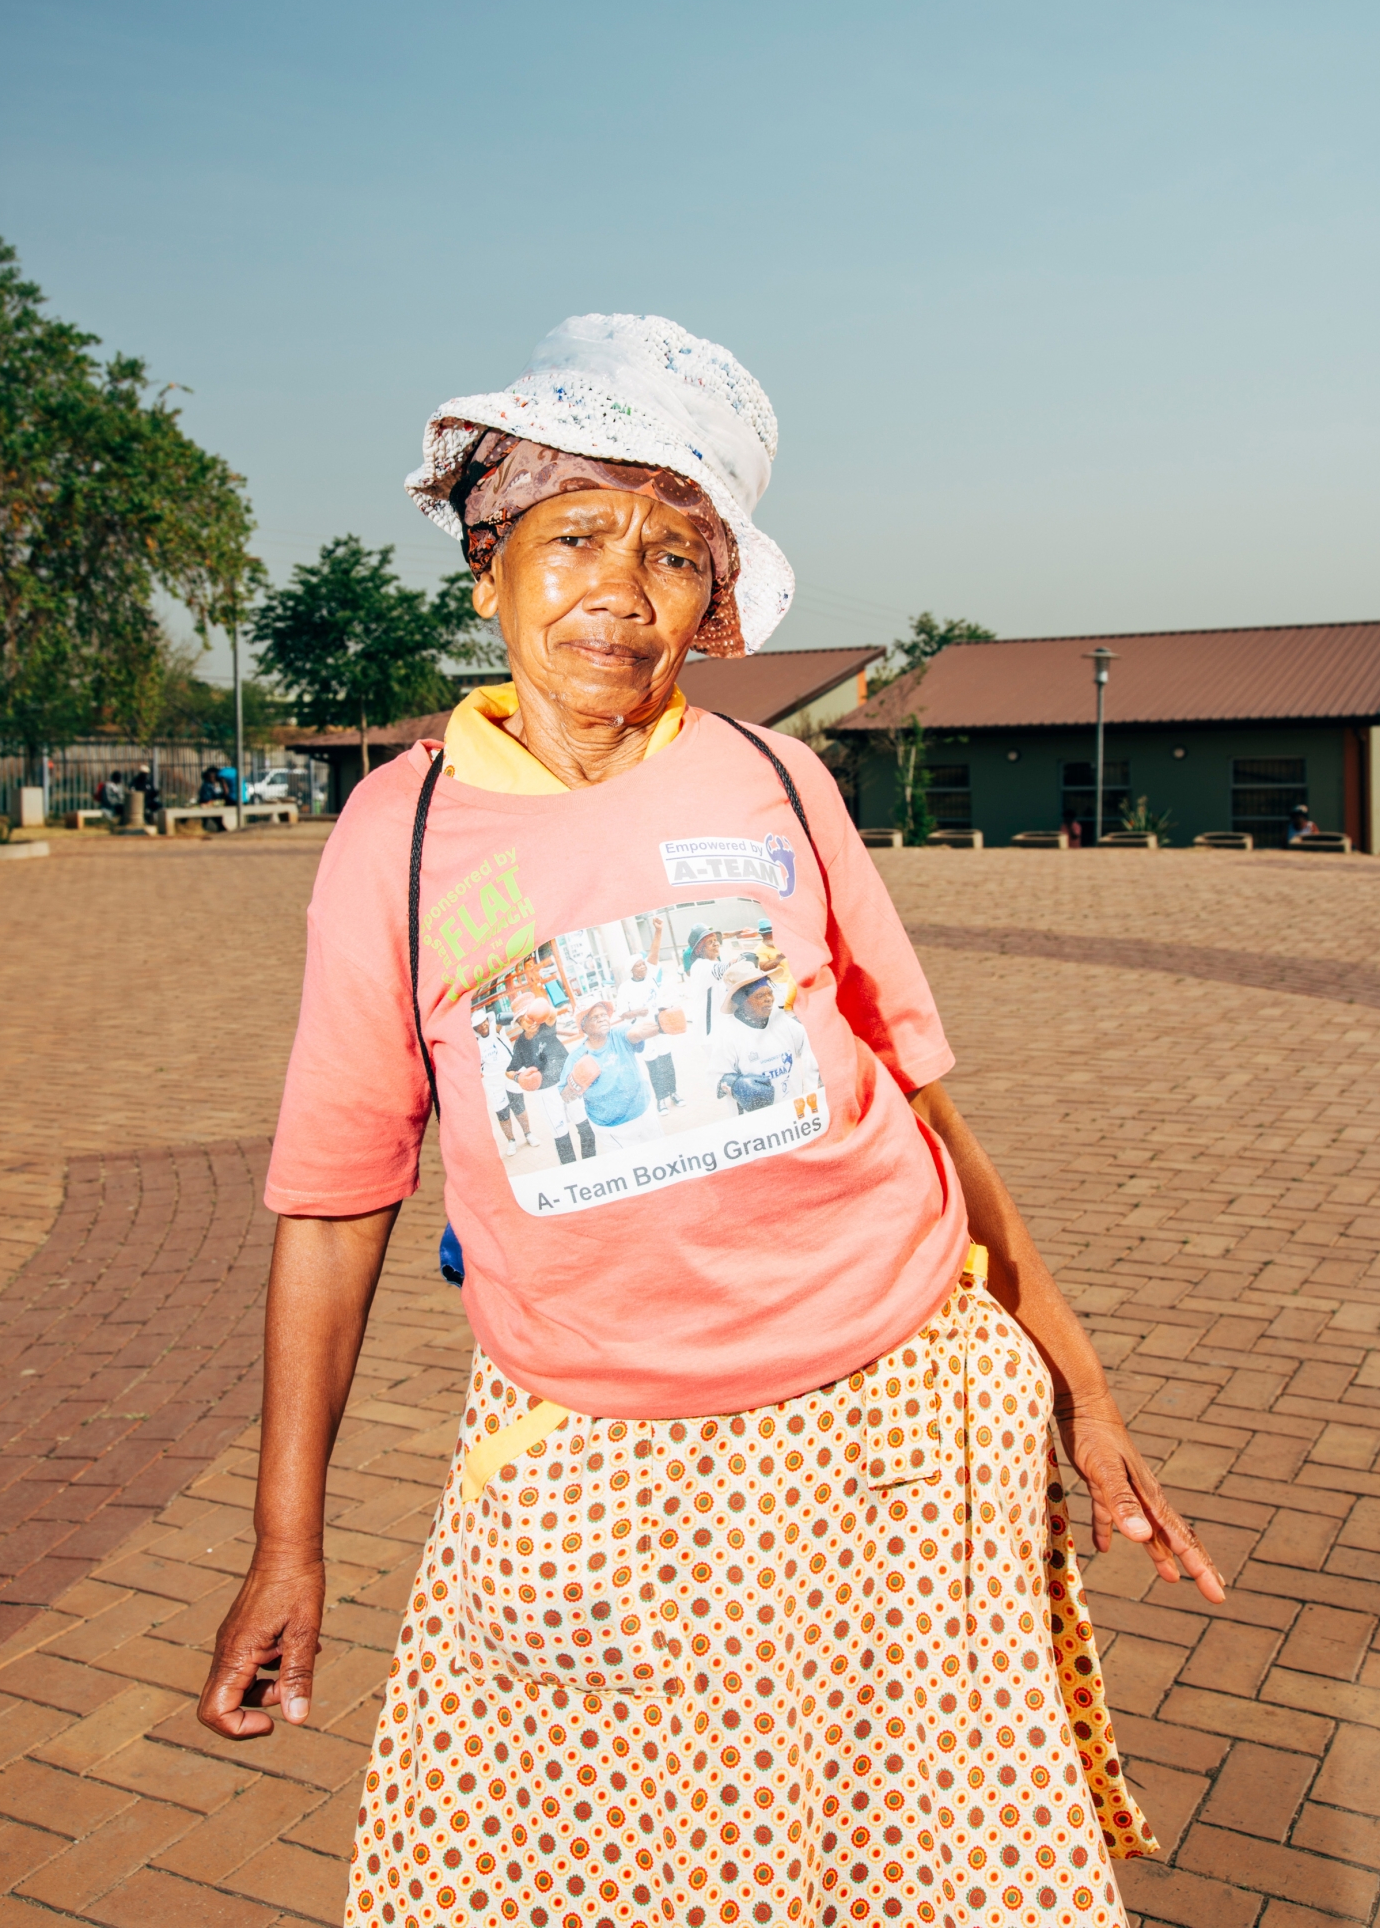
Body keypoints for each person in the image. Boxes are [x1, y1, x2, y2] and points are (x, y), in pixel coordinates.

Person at [202, 313, 1219, 1928]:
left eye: (675, 554)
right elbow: (334, 1201)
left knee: (919, 1864)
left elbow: (918, 1095)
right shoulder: (397, 840)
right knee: (597, 1874)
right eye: (576, 536)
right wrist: (286, 1540)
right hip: (595, 1452)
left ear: (714, 599)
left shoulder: (771, 777)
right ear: (486, 567)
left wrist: (1080, 1383)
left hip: (894, 1408)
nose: (621, 587)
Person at [709, 954, 819, 1112]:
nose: (769, 999)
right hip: (758, 1125)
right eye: (760, 995)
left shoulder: (781, 1021)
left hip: (794, 1112)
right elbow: (715, 1077)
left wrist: (817, 1074)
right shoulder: (728, 1034)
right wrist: (734, 1084)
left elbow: (809, 1043)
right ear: (741, 1001)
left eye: (769, 993)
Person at [560, 998, 663, 1148]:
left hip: (644, 1111)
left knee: (661, 1155)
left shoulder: (619, 1034)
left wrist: (660, 1027)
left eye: (604, 1015)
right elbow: (565, 1095)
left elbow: (637, 1032)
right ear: (584, 1026)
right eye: (595, 1017)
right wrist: (577, 1080)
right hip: (613, 1128)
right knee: (630, 1167)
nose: (602, 1019)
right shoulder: (576, 1057)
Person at [506, 999, 594, 1164]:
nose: (530, 1022)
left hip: (568, 1083)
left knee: (585, 1127)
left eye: (532, 1016)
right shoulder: (520, 1044)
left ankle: (591, 1164)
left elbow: (551, 1014)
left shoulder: (545, 1027)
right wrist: (519, 1077)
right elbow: (509, 1070)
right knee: (561, 1136)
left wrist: (538, 1009)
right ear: (519, 1023)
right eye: (524, 1019)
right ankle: (573, 1174)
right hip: (545, 1093)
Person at [611, 917, 683, 1110]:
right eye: (639, 966)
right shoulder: (625, 988)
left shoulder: (650, 975)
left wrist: (658, 931)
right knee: (654, 1064)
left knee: (666, 1059)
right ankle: (661, 1099)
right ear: (632, 970)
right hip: (643, 1029)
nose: (643, 967)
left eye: (643, 964)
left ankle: (674, 1092)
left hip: (660, 1024)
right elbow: (621, 1013)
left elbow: (655, 952)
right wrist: (636, 1011)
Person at [473, 1010, 536, 1156]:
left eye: (483, 1022)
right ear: (475, 1029)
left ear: (487, 1021)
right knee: (502, 1112)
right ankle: (511, 1142)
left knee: (519, 1107)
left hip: (510, 1074)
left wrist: (502, 1018)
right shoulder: (476, 1043)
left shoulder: (496, 1031)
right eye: (478, 1026)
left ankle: (528, 1134)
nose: (482, 1027)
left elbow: (503, 1020)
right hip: (492, 1081)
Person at [681, 920, 724, 1037]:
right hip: (710, 1030)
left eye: (715, 940)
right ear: (701, 949)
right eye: (710, 942)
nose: (716, 943)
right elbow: (729, 970)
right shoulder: (701, 966)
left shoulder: (713, 960)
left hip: (721, 1024)